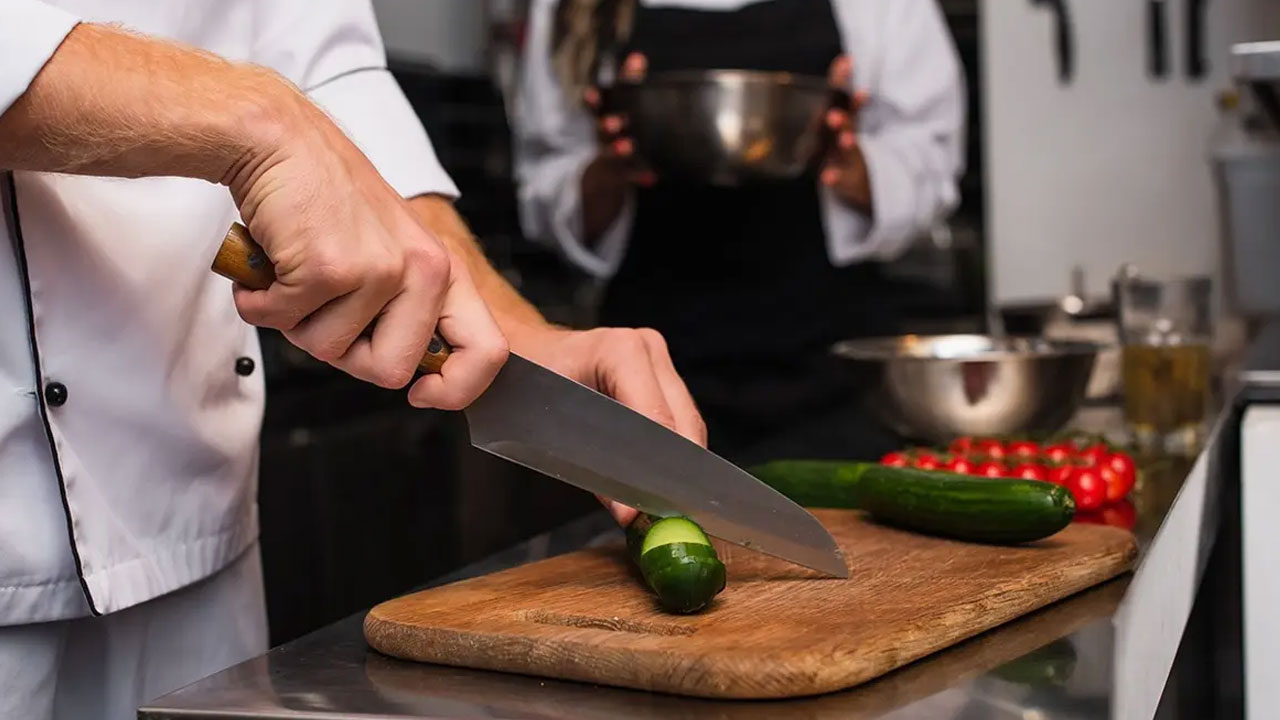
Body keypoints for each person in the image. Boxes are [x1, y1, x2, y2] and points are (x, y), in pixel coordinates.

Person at [0, 2, 702, 718]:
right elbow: (295, 120)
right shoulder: (265, 115)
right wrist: (261, 121)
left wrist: (514, 334)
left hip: (198, 527)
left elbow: (330, 83)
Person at [514, 0, 966, 463]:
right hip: (651, 372)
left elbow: (931, 163)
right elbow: (545, 186)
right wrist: (612, 166)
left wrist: (847, 163)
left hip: (835, 371)